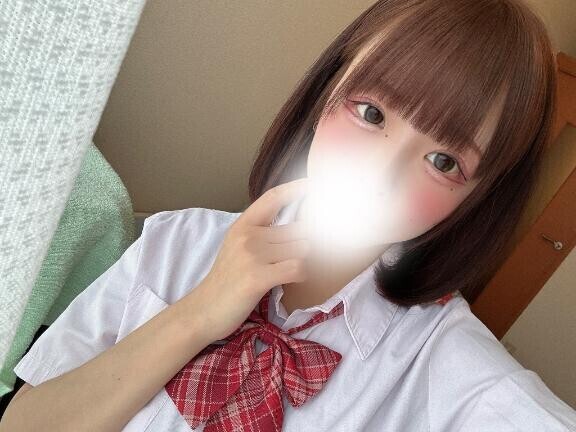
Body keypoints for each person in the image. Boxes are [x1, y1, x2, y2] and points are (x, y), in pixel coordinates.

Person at [2, 0, 575, 430]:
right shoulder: (175, 240)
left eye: (444, 161)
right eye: (372, 113)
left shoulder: (446, 367)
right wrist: (196, 315)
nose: (382, 172)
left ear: (478, 197)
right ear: (328, 91)